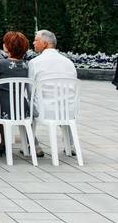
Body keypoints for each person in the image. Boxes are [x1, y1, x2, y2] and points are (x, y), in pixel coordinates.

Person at [29, 29, 77, 157]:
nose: (33, 43)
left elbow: (30, 90)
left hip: (46, 111)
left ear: (45, 43)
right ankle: (70, 145)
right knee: (61, 101)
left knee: (25, 104)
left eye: (36, 40)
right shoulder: (69, 63)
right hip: (69, 110)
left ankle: (32, 144)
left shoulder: (35, 63)